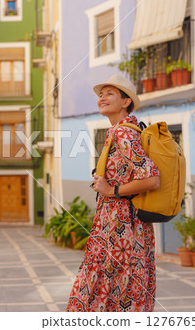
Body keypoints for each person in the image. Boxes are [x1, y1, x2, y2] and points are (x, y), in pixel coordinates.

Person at [66, 74, 160, 312]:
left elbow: (151, 178)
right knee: (121, 292)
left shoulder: (123, 133)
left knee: (106, 291)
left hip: (121, 228)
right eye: (100, 94)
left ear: (126, 102)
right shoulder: (121, 131)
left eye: (110, 93)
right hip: (122, 225)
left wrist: (111, 189)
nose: (102, 98)